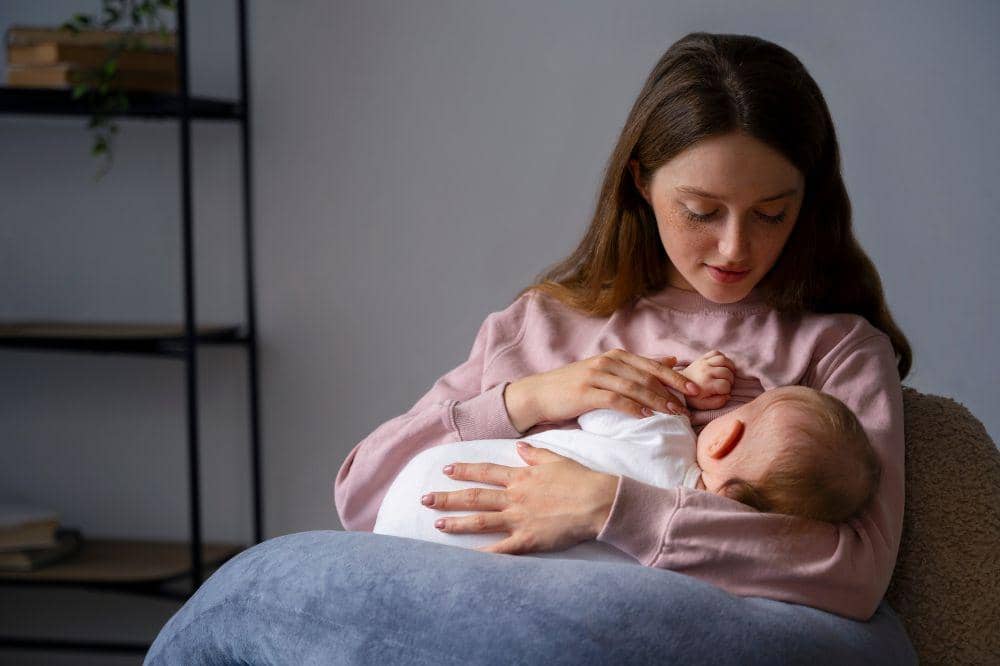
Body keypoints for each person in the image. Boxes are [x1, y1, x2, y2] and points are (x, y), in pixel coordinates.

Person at [334, 32, 911, 622]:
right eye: (701, 211)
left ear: (806, 200)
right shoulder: (540, 323)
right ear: (641, 181)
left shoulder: (838, 350)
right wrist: (530, 398)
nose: (735, 247)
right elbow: (360, 496)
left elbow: (856, 573)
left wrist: (607, 508)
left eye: (771, 214)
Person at [372, 351, 882, 564]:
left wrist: (681, 387)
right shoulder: (702, 548)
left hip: (417, 497)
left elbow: (608, 403)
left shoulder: (666, 435)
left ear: (723, 439)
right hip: (479, 562)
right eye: (701, 211)